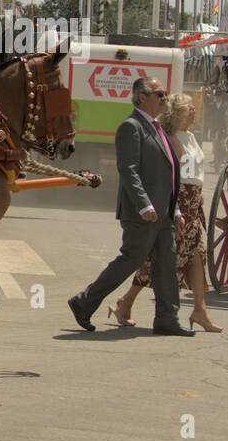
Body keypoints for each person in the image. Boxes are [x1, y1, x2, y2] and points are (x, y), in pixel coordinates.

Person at [68, 76, 193, 336]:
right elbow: (128, 170)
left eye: (164, 93)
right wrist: (143, 204)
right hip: (143, 213)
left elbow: (168, 172)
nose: (164, 98)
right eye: (159, 94)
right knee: (131, 259)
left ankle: (167, 319)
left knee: (166, 263)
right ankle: (84, 301)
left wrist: (176, 208)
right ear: (141, 97)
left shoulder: (157, 127)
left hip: (164, 212)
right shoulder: (131, 127)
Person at [107, 93, 221, 333]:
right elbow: (169, 172)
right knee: (158, 259)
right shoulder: (167, 137)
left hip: (193, 202)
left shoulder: (192, 137)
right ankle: (125, 301)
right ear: (178, 111)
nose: (194, 111)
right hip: (177, 199)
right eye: (189, 107)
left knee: (197, 254)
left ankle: (200, 310)